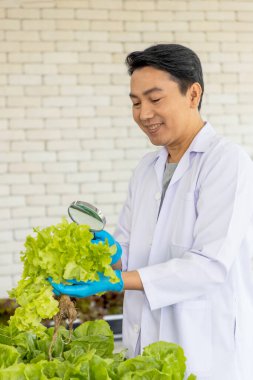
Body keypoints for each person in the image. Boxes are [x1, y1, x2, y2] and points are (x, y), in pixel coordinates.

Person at [50, 44, 253, 380]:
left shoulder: (228, 163)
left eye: (155, 99)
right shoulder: (147, 168)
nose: (144, 114)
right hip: (144, 348)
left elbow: (209, 265)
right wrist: (108, 254)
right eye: (135, 102)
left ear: (193, 94)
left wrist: (118, 280)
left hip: (206, 352)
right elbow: (129, 251)